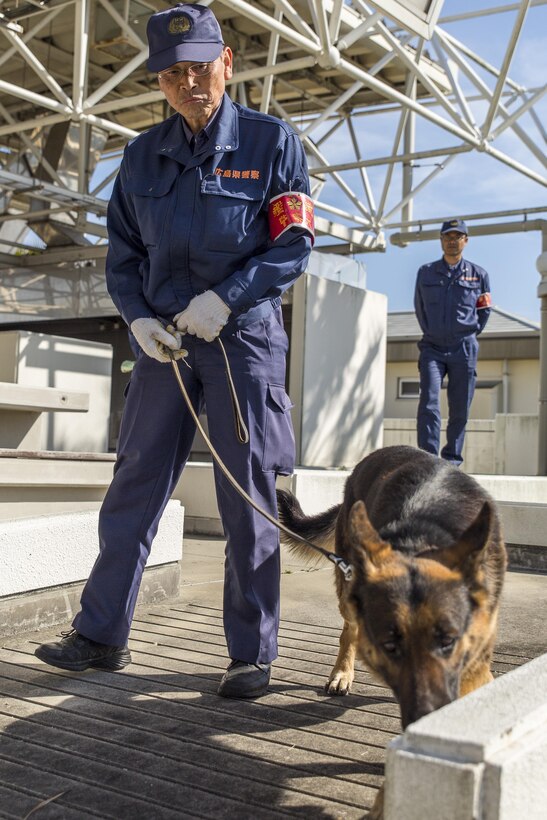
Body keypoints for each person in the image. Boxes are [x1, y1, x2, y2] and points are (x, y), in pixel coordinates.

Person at [35, 3, 314, 699]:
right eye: (171, 74)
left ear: (225, 62)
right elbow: (123, 258)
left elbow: (294, 244)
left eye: (198, 68)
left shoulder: (270, 143)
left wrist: (228, 299)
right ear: (158, 82)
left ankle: (251, 653)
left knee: (245, 497)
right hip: (163, 347)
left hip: (240, 345)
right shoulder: (137, 157)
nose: (187, 84)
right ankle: (101, 635)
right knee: (132, 486)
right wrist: (135, 320)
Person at [414, 219, 491, 466]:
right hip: (432, 348)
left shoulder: (479, 275)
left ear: (465, 241)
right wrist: (434, 332)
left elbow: (484, 311)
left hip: (464, 348)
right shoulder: (426, 272)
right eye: (448, 236)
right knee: (429, 403)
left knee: (460, 408)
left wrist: (468, 334)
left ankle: (452, 461)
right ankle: (428, 459)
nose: (452, 241)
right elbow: (420, 308)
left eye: (458, 236)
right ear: (441, 240)